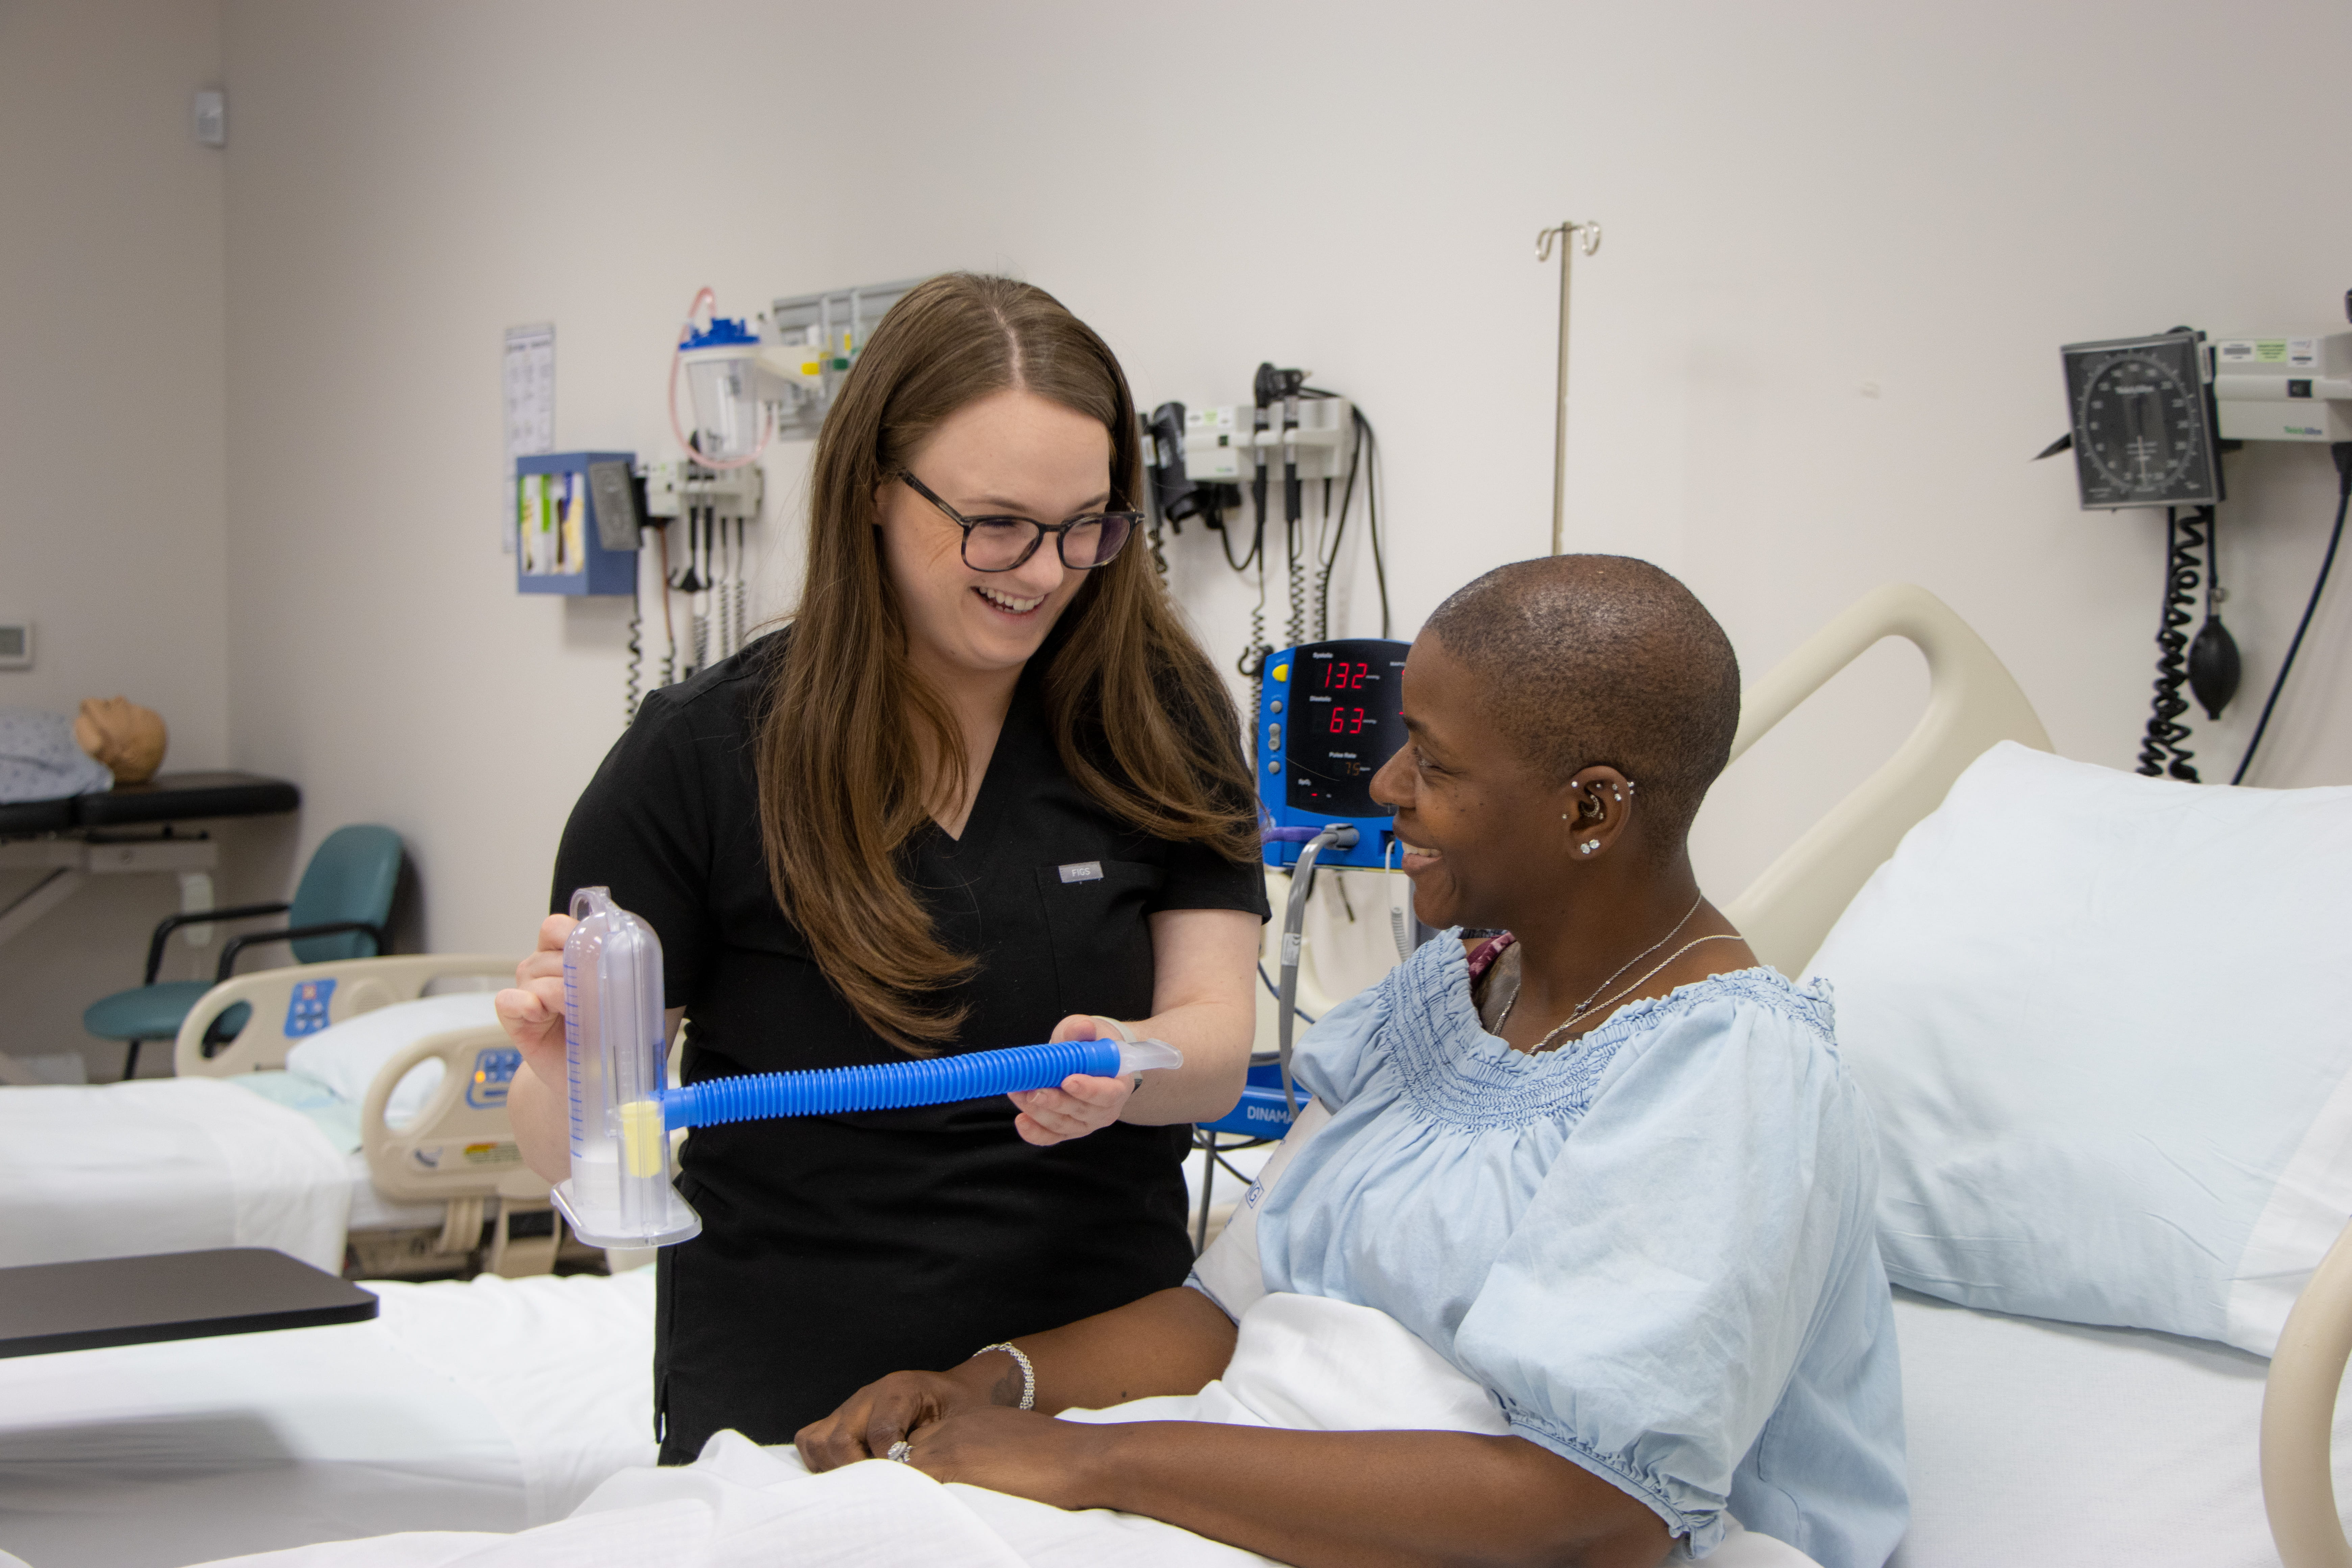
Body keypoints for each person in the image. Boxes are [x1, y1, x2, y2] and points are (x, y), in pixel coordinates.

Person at [796, 557, 1908, 1568]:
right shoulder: (1446, 996)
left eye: (1433, 759)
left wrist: (1098, 1462)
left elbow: (1583, 1512)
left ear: (1592, 806)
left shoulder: (1730, 1079)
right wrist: (990, 1381)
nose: (1384, 785)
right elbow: (1224, 1314)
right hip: (1251, 1473)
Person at [495, 274, 1268, 1463]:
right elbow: (579, 1159)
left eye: (1088, 526)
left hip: (1093, 1391)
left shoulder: (1159, 721)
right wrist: (567, 1080)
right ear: (871, 488)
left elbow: (1214, 1048)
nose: (1046, 571)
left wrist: (1133, 1069)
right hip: (797, 1411)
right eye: (996, 522)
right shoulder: (701, 756)